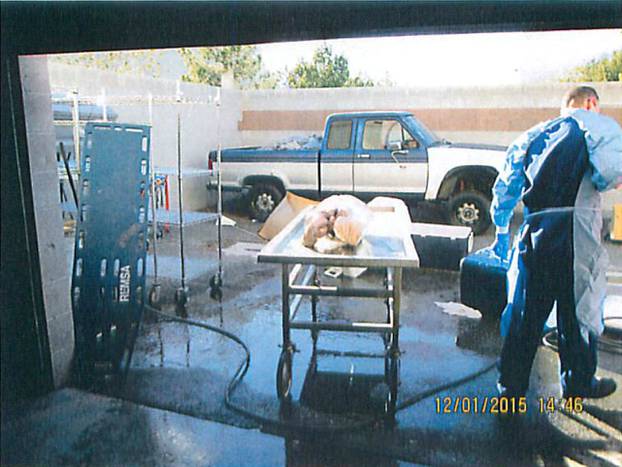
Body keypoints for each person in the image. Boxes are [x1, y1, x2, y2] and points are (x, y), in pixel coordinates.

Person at [490, 86, 622, 399]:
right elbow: (609, 174)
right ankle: (578, 384)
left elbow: (506, 187)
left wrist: (500, 229)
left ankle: (510, 389)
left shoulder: (534, 134)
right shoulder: (600, 127)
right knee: (577, 311)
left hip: (534, 234)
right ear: (591, 103)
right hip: (576, 233)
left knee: (526, 311)